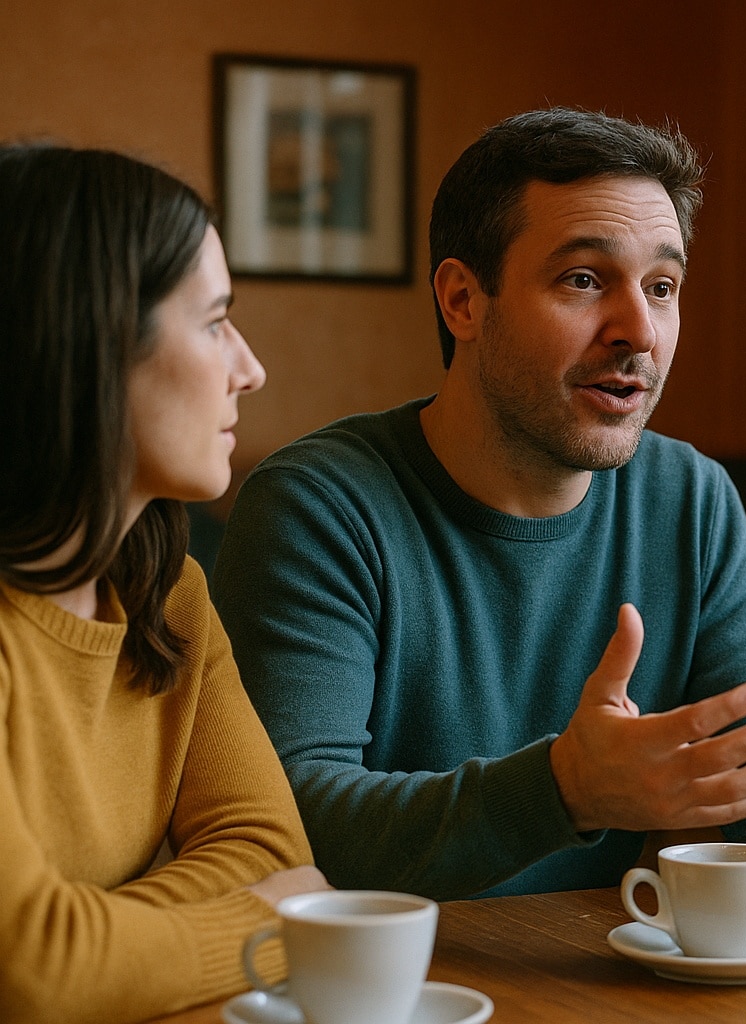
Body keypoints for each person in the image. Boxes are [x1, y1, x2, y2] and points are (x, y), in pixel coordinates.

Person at [210, 107, 746, 901]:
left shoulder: (691, 500)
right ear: (463, 300)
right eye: (583, 279)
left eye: (663, 286)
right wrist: (565, 789)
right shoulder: (319, 507)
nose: (639, 328)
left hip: (590, 982)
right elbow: (295, 818)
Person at [0, 145, 328, 1024]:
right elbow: (33, 972)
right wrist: (277, 923)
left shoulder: (170, 591)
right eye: (216, 321)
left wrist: (89, 940)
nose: (249, 368)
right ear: (92, 342)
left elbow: (267, 847)